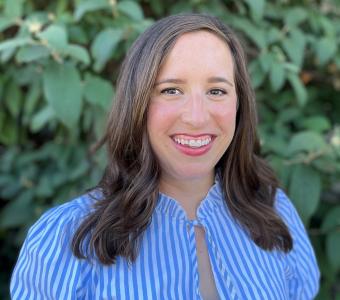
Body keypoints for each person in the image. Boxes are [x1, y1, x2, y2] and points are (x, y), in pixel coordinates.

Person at [10, 14, 320, 299]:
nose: (197, 117)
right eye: (171, 90)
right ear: (137, 103)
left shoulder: (275, 211)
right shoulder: (65, 237)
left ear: (239, 105)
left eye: (217, 91)